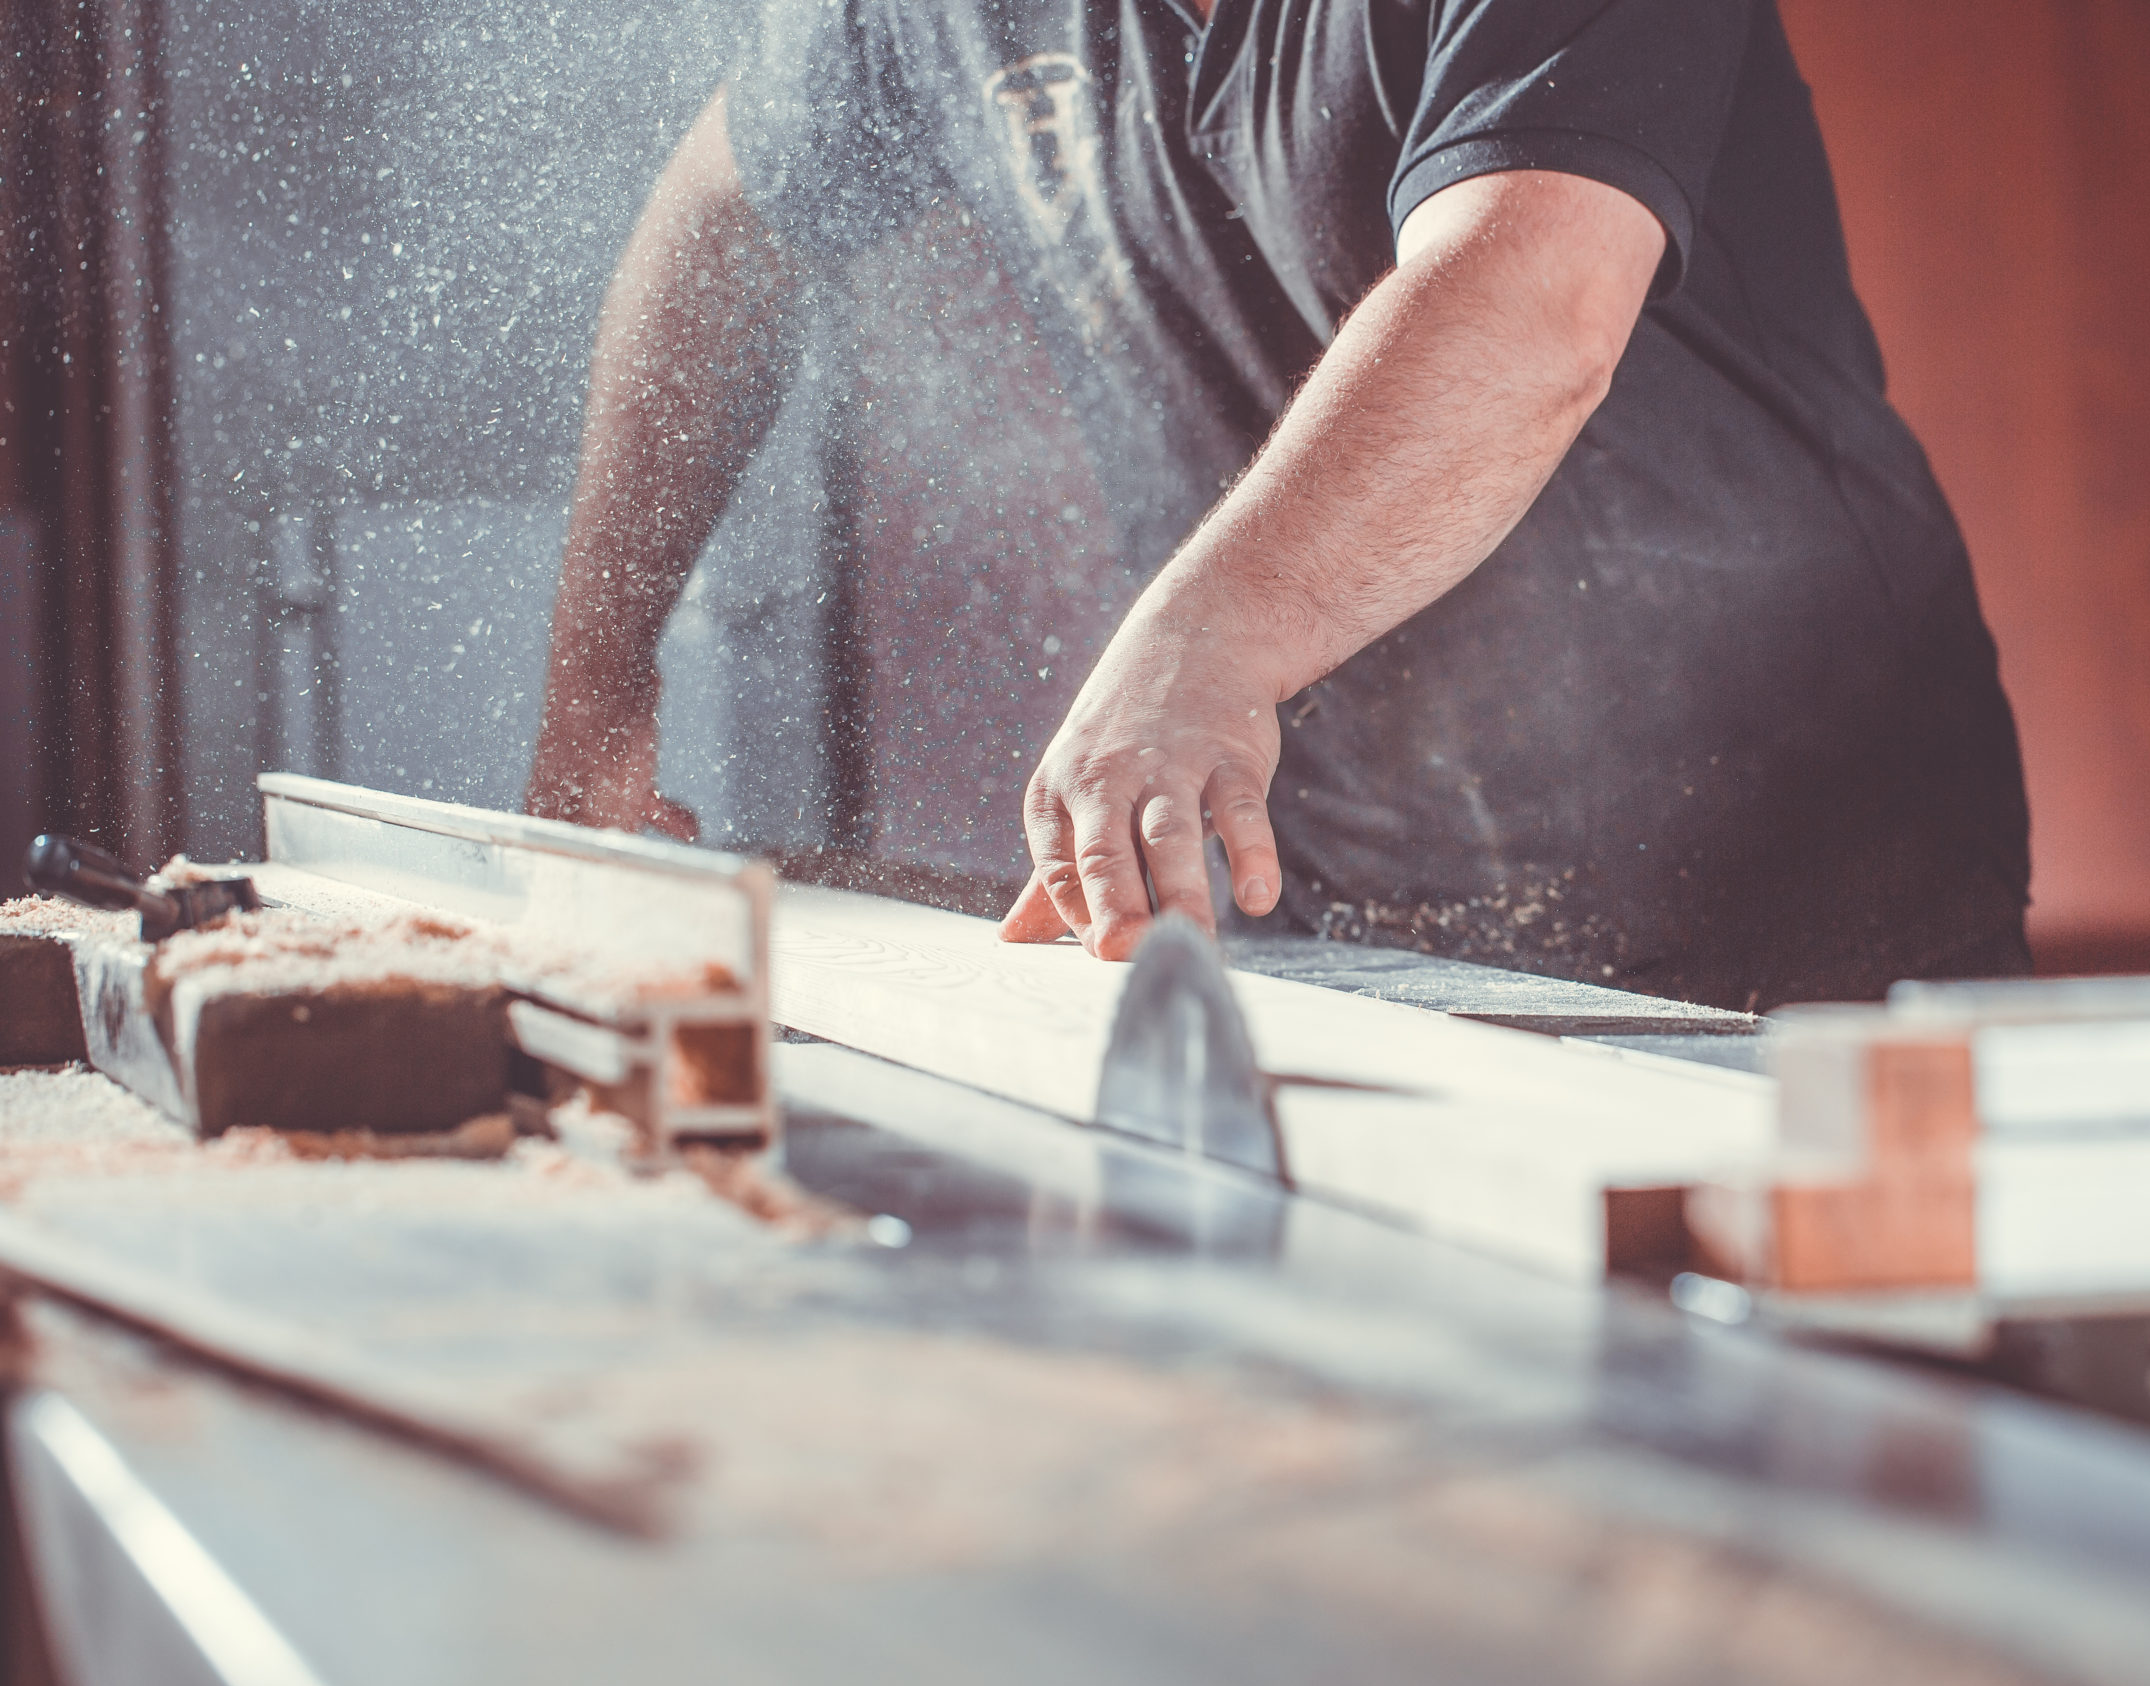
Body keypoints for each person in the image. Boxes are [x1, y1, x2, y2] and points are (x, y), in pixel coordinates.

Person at [527, 0, 2032, 1012]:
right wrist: (599, 683)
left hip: (1808, 904)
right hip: (1343, 925)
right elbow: (719, 232)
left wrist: (1200, 641)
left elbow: (1534, 297)